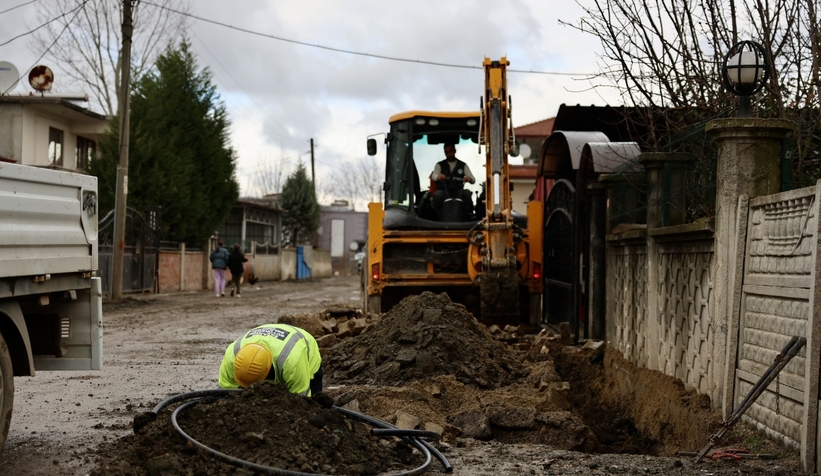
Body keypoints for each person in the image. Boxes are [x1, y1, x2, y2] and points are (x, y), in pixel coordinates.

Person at [218, 323, 323, 396]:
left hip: (305, 350)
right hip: (269, 340)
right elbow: (225, 393)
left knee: (315, 402)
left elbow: (301, 400)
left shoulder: (293, 362)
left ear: (268, 373)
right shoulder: (231, 357)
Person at [430, 143, 475, 218]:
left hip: (458, 191)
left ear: (455, 151)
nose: (448, 154)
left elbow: (473, 179)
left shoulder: (463, 165)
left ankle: (465, 218)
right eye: (446, 152)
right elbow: (433, 176)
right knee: (437, 195)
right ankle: (440, 218)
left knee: (467, 193)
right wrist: (438, 177)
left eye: (450, 151)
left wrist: (469, 179)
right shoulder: (439, 165)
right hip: (444, 191)